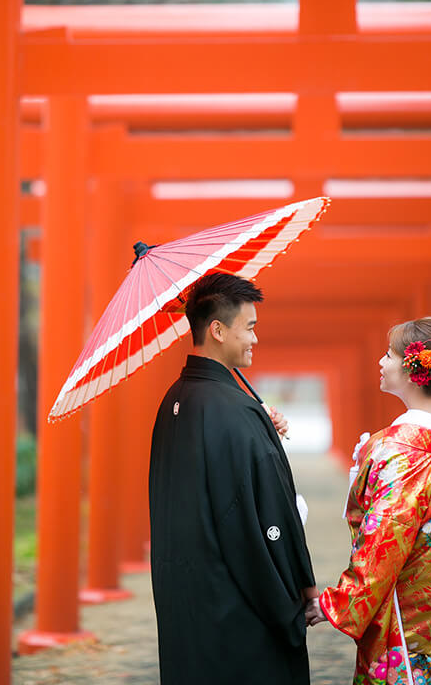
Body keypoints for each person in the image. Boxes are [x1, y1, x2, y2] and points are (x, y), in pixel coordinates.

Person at [148, 271, 318, 685]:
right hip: (236, 605)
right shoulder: (234, 411)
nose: (256, 339)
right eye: (250, 328)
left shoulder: (176, 397)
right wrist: (301, 588)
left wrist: (260, 428)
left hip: (187, 596)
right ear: (218, 330)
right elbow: (263, 509)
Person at [306, 316, 431, 685]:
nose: (380, 362)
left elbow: (383, 541)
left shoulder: (398, 452)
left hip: (408, 631)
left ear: (412, 369)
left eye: (388, 355)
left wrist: (336, 602)